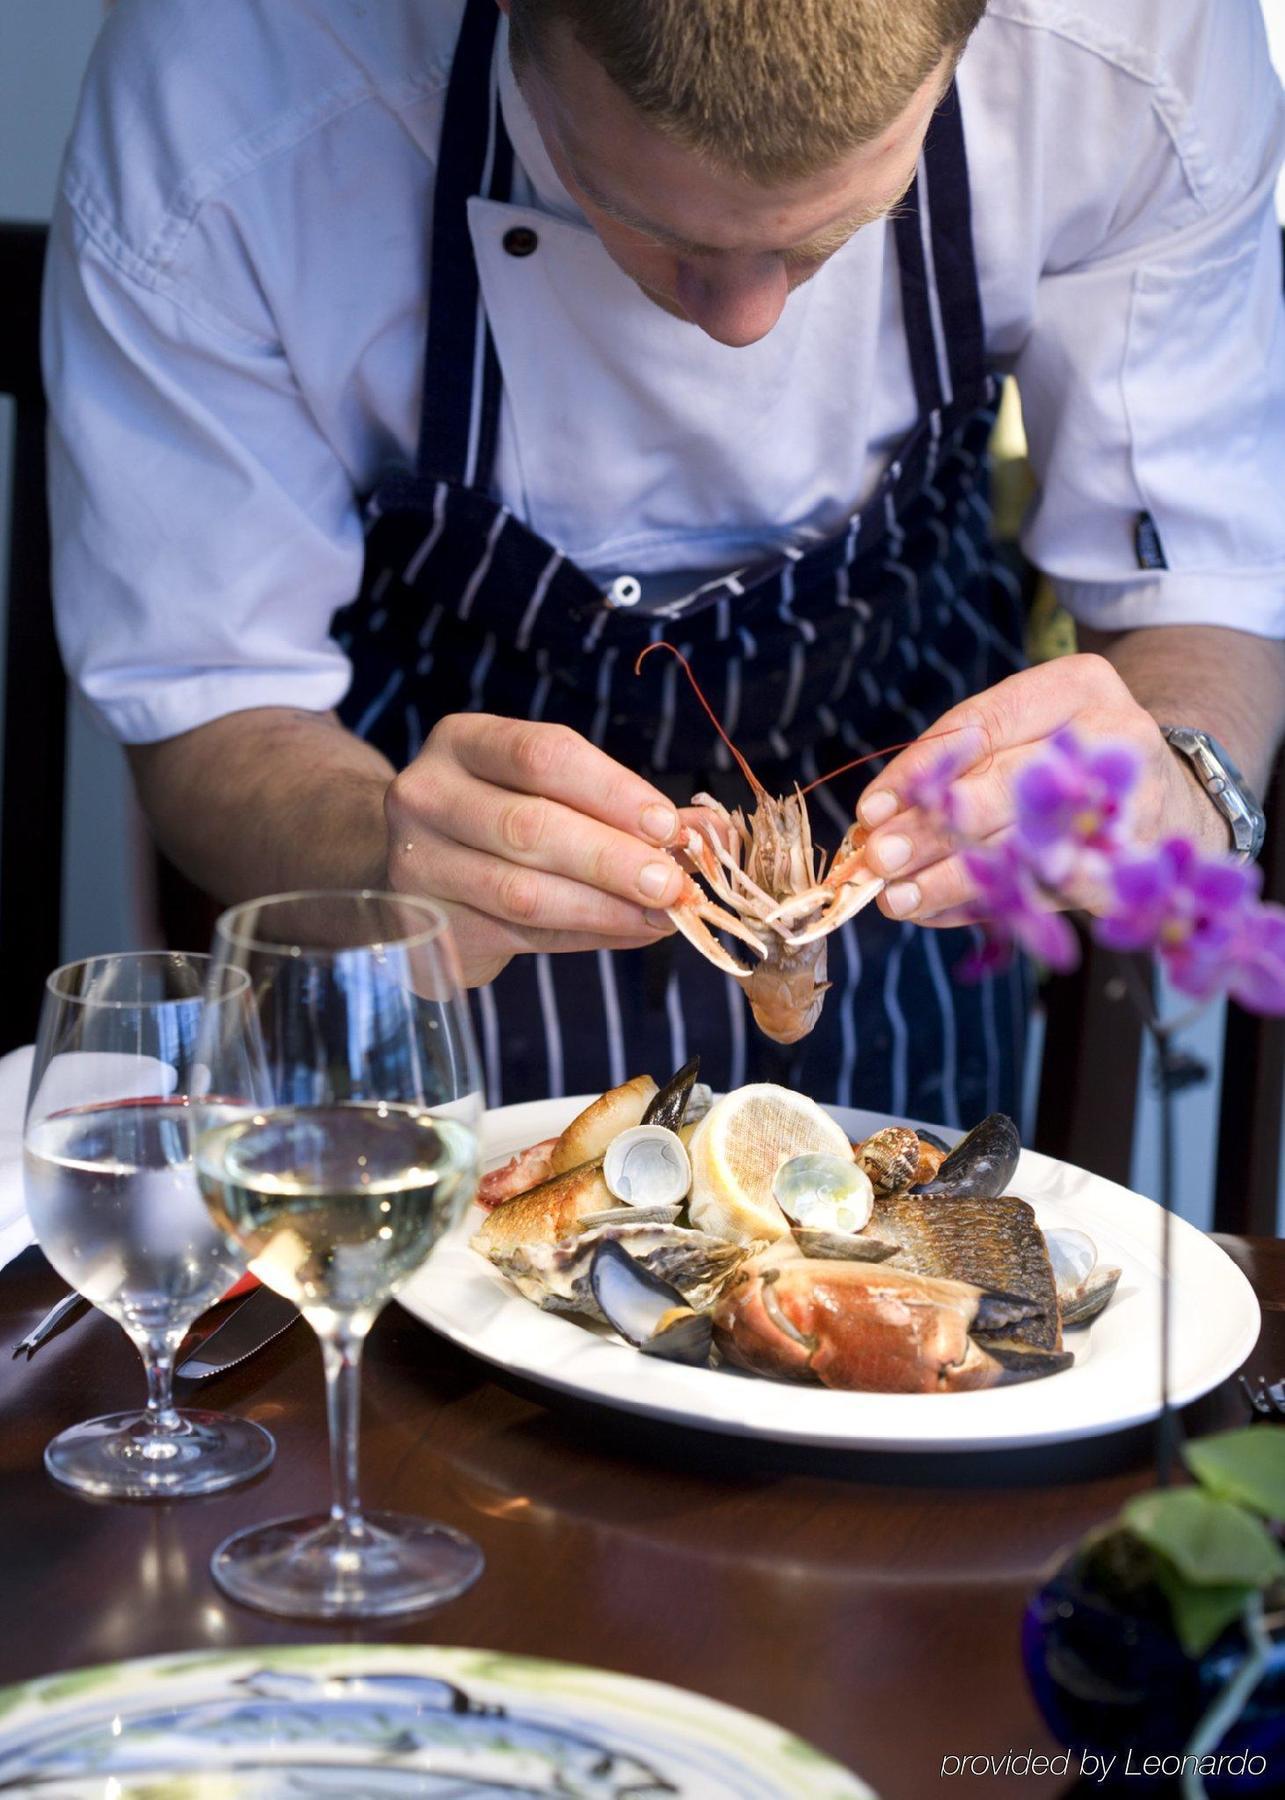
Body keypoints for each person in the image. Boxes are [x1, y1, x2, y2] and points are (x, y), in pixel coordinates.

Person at [44, 0, 1285, 1120]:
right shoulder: (227, 88)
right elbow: (205, 695)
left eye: (835, 231)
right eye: (642, 221)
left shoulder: (1142, 41)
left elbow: (1201, 591)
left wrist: (1181, 774)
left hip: (900, 873)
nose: (741, 324)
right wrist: (374, 852)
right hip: (417, 910)